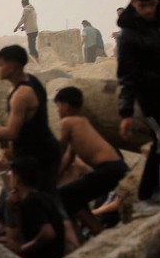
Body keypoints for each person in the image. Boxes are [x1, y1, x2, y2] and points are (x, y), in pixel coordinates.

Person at [117, 0, 160, 205]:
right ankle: (147, 195)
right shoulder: (129, 35)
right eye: (143, 6)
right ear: (133, 3)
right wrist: (125, 113)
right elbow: (127, 76)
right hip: (151, 95)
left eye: (152, 4)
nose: (148, 10)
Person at [0, 45, 62, 194]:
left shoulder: (21, 94)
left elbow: (12, 132)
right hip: (38, 151)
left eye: (0, 64)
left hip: (37, 156)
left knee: (40, 202)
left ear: (12, 66)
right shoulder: (30, 81)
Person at [55, 86, 128, 236]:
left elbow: (58, 150)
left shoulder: (68, 122)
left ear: (66, 106)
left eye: (58, 106)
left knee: (63, 195)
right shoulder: (81, 122)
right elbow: (68, 157)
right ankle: (96, 229)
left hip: (108, 169)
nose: (57, 111)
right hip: (117, 168)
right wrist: (55, 177)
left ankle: (96, 231)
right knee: (76, 196)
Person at [0, 157, 65, 258]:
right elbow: (24, 232)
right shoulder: (36, 197)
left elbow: (48, 234)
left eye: (11, 174)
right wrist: (14, 209)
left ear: (17, 178)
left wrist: (21, 249)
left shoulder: (32, 201)